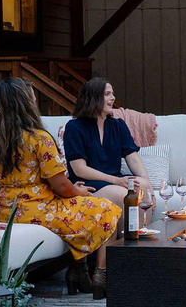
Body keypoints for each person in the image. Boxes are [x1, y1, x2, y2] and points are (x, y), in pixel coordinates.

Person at [0, 78, 119, 300]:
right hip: (37, 208)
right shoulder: (39, 138)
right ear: (25, 102)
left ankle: (78, 271)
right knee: (106, 208)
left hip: (5, 210)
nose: (35, 101)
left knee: (80, 208)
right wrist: (78, 191)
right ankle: (100, 276)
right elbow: (61, 186)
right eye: (32, 97)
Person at [63, 78, 155, 224]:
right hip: (89, 183)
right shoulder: (74, 127)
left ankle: (143, 235)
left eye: (112, 94)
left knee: (142, 188)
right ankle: (126, 237)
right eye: (107, 94)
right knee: (124, 195)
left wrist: (147, 182)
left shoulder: (118, 125)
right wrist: (116, 181)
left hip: (115, 179)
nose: (113, 98)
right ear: (93, 98)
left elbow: (133, 158)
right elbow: (79, 169)